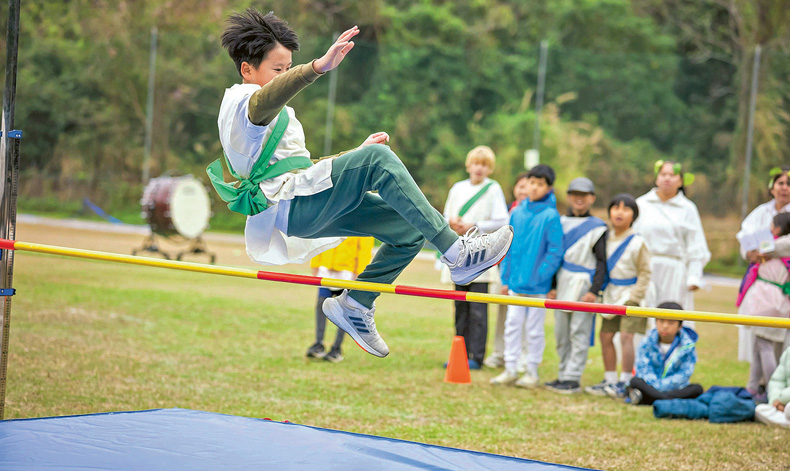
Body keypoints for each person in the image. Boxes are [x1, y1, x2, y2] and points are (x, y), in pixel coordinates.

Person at [212, 10, 513, 358]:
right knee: (379, 162)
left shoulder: (277, 116)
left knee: (410, 230)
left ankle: (357, 302)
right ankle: (456, 252)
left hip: (303, 201)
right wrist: (315, 68)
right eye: (277, 70)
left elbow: (295, 169)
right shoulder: (241, 102)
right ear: (247, 69)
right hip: (292, 207)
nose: (284, 75)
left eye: (287, 67)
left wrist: (353, 155)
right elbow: (267, 99)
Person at [490, 165, 563, 388]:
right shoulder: (517, 213)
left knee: (534, 329)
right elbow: (508, 247)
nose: (534, 187)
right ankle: (511, 368)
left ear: (548, 188)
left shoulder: (551, 216)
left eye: (540, 184)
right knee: (511, 325)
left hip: (538, 287)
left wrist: (541, 276)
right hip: (514, 283)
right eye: (531, 182)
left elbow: (555, 251)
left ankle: (531, 371)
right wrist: (506, 278)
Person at [440, 146, 509, 369]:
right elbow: (445, 215)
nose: (479, 168)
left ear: (490, 169)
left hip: (482, 255)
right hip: (460, 253)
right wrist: (453, 223)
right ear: (469, 165)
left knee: (478, 310)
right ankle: (459, 352)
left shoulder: (493, 189)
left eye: (485, 164)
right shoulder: (457, 188)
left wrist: (475, 225)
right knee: (460, 309)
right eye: (476, 163)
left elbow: (502, 220)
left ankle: (476, 356)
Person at [584, 194, 652, 398]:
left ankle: (625, 381)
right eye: (615, 208)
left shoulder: (638, 242)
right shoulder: (604, 238)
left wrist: (635, 297)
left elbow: (645, 272)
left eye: (625, 209)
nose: (619, 212)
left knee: (626, 337)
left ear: (634, 215)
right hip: (611, 295)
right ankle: (610, 379)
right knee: (605, 336)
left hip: (630, 296)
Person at [544, 177, 607, 394]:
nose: (579, 199)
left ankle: (572, 377)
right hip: (562, 281)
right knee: (561, 332)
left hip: (584, 284)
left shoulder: (598, 228)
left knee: (578, 331)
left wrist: (593, 291)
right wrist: (552, 285)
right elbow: (555, 256)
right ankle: (562, 373)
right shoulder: (560, 222)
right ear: (569, 197)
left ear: (592, 198)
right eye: (575, 194)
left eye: (584, 195)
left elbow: (601, 262)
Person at [633, 160, 710, 325]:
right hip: (646, 269)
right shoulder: (642, 204)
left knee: (672, 317)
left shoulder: (688, 208)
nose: (667, 179)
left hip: (675, 271)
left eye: (672, 175)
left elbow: (695, 244)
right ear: (656, 178)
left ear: (681, 181)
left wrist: (694, 276)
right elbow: (632, 238)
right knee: (645, 317)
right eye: (663, 174)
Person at [735, 166, 790, 363]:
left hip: (785, 283)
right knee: (758, 336)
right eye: (780, 183)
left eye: (788, 184)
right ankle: (758, 384)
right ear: (772, 187)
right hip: (762, 282)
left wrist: (768, 250)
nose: (784, 188)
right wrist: (750, 253)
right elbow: (745, 235)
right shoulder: (760, 212)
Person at [737, 213, 790, 401]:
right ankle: (752, 387)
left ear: (777, 228)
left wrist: (754, 249)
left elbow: (761, 248)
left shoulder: (778, 244)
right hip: (780, 301)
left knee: (764, 345)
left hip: (768, 299)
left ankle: (771, 389)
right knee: (760, 345)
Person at [484, 172, 529, 369]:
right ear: (514, 189)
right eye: (521, 186)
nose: (524, 190)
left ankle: (522, 356)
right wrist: (505, 277)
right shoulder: (507, 213)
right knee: (503, 316)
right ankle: (499, 353)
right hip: (506, 272)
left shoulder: (536, 214)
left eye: (529, 186)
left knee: (525, 318)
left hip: (526, 275)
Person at [305, 237, 374, 362]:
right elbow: (320, 239)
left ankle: (336, 348)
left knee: (343, 312)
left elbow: (364, 250)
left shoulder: (363, 221)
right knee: (321, 306)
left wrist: (359, 273)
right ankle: (318, 344)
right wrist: (315, 264)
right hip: (326, 269)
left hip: (347, 273)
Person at [626, 302, 703, 406]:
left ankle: (649, 399)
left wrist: (661, 387)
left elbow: (684, 373)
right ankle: (665, 399)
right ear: (655, 322)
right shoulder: (646, 342)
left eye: (671, 322)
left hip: (674, 388)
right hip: (651, 386)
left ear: (680, 326)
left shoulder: (688, 346)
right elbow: (643, 369)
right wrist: (657, 386)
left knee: (697, 389)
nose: (665, 326)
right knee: (635, 381)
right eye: (661, 321)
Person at [755, 345, 790, 428]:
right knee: (760, 409)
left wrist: (782, 399)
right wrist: (775, 400)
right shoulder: (788, 352)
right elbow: (777, 380)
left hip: (785, 400)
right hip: (783, 404)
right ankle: (785, 418)